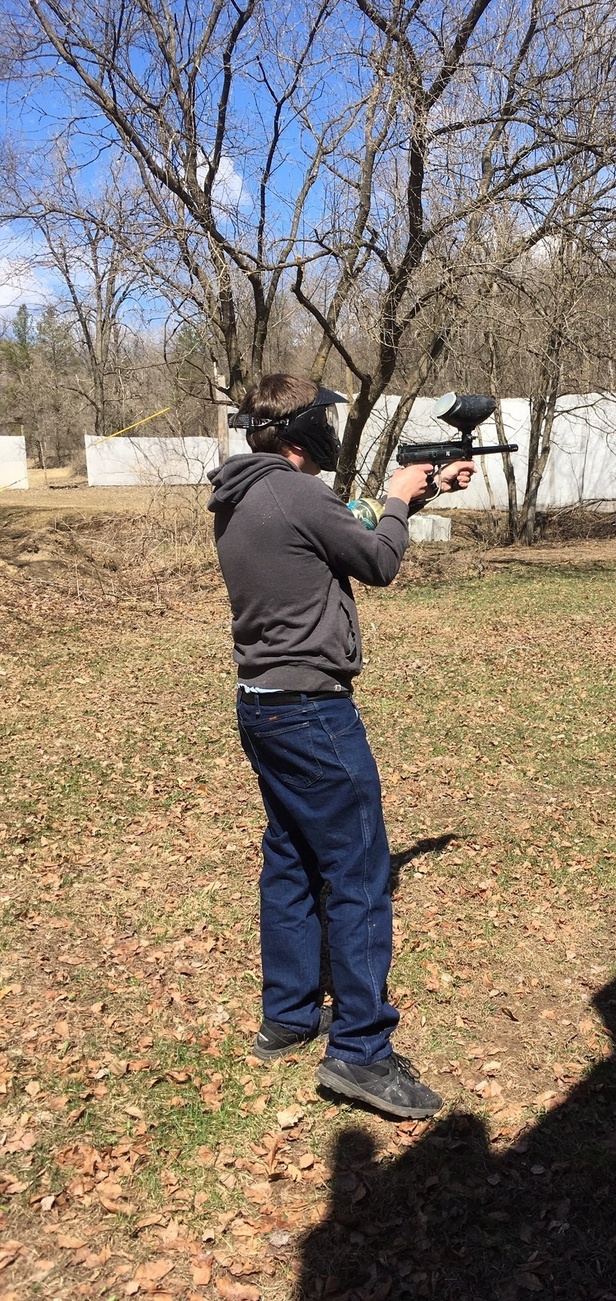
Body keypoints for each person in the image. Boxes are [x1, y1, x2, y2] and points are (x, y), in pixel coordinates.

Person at [207, 374, 474, 1120]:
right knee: (359, 871)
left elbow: (338, 534)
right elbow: (378, 561)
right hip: (312, 713)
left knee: (291, 856)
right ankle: (360, 1051)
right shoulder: (295, 493)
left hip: (262, 704)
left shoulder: (240, 492)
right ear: (298, 431)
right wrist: (396, 497)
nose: (332, 426)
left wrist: (418, 493)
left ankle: (289, 1014)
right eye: (324, 417)